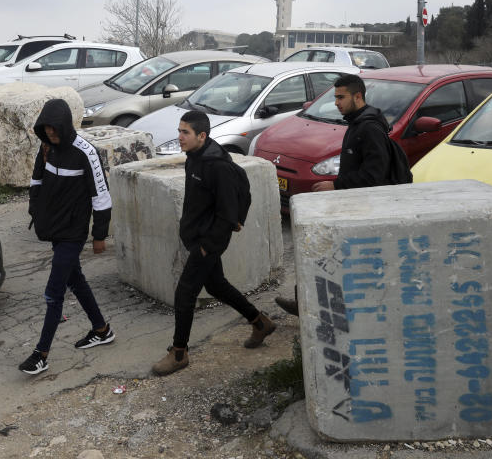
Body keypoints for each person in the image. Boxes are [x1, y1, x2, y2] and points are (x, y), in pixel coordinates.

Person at [151, 110, 276, 376]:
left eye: (185, 132)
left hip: (206, 242)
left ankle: (179, 353)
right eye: (180, 131)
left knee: (185, 294)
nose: (180, 137)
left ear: (202, 135)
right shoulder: (196, 157)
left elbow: (230, 204)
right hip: (198, 237)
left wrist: (213, 241)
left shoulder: (216, 165)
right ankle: (260, 322)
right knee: (217, 285)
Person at [275, 73, 400, 315]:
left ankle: (312, 304)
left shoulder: (369, 128)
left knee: (331, 255)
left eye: (341, 97)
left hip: (365, 208)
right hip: (354, 203)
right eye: (335, 97)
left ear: (358, 96)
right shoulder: (357, 123)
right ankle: (308, 301)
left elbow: (375, 175)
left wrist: (336, 186)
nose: (336, 103)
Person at [19, 98, 115, 375]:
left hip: (74, 231)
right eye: (45, 129)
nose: (50, 133)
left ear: (64, 124)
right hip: (54, 228)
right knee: (76, 279)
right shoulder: (46, 147)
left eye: (54, 128)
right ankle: (102, 329)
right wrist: (36, 212)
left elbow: (102, 197)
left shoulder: (86, 152)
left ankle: (41, 354)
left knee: (54, 291)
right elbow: (36, 181)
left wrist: (99, 236)